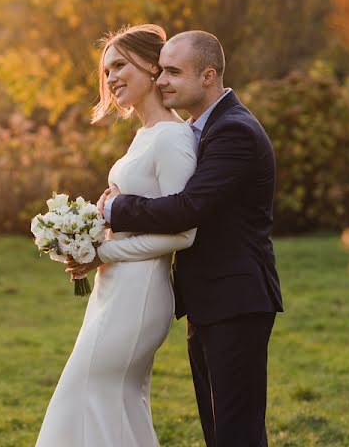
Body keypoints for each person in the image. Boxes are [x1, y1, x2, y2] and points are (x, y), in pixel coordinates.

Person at [97, 30, 284, 447]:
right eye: (160, 70)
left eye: (173, 72)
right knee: (219, 430)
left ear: (208, 76)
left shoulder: (234, 131)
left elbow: (187, 208)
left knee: (237, 433)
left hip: (236, 299)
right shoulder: (205, 128)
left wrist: (112, 208)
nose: (161, 80)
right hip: (209, 298)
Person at [36, 24, 198, 447]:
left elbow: (184, 234)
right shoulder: (145, 134)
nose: (110, 79)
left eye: (119, 66)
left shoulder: (173, 137)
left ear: (151, 66)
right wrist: (87, 236)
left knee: (86, 394)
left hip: (140, 291)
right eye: (106, 71)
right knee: (114, 401)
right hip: (115, 288)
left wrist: (104, 250)